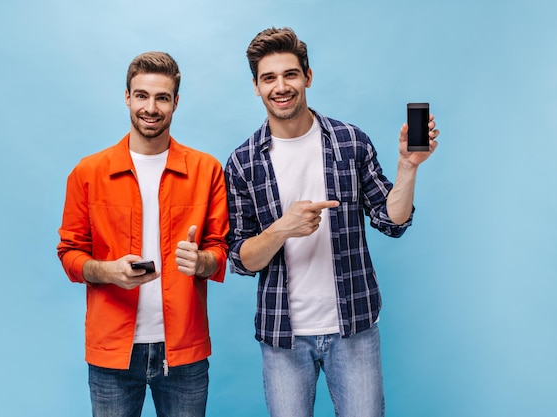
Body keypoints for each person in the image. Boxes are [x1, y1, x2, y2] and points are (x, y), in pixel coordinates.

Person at [224, 27, 440, 417]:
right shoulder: (243, 162)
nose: (281, 86)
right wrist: (282, 228)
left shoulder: (350, 142)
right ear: (256, 87)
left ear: (307, 77)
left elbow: (391, 221)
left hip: (354, 327)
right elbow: (240, 259)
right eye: (268, 78)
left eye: (290, 74)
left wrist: (408, 168)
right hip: (283, 337)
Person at [57, 51, 228, 417]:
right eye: (142, 95)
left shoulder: (206, 169)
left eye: (162, 97)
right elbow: (69, 254)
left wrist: (202, 262)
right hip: (112, 352)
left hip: (184, 350)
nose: (151, 107)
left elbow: (220, 250)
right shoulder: (88, 172)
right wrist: (108, 272)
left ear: (176, 102)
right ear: (127, 97)